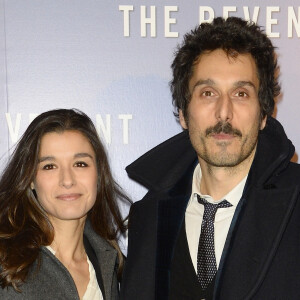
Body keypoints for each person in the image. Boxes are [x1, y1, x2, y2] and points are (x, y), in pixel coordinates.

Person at [120, 17, 300, 300]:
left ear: (264, 114)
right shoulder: (148, 217)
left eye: (241, 94)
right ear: (183, 113)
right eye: (208, 93)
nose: (224, 112)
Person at [0, 108, 130, 299]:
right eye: (49, 166)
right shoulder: (6, 263)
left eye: (80, 164)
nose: (67, 180)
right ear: (30, 180)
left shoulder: (108, 261)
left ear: (99, 174)